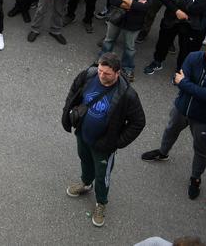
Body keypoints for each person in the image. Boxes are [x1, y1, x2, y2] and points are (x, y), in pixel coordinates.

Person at [140, 37, 206, 200]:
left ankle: (196, 178)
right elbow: (181, 82)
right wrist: (188, 85)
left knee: (201, 148)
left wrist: (185, 83)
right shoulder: (193, 57)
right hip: (182, 107)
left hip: (204, 118)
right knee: (170, 130)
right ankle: (163, 153)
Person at [61, 53, 146, 228]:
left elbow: (138, 122)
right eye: (100, 71)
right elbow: (74, 92)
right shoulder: (89, 74)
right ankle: (85, 184)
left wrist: (116, 143)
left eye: (106, 73)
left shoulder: (127, 95)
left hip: (104, 146)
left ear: (117, 72)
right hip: (83, 134)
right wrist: (69, 113)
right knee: (84, 160)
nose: (101, 76)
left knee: (102, 175)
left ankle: (101, 202)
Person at [101, 0, 153, 80]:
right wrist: (134, 4)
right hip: (116, 17)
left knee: (129, 47)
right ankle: (103, 62)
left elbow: (145, 7)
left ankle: (128, 68)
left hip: (134, 21)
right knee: (109, 40)